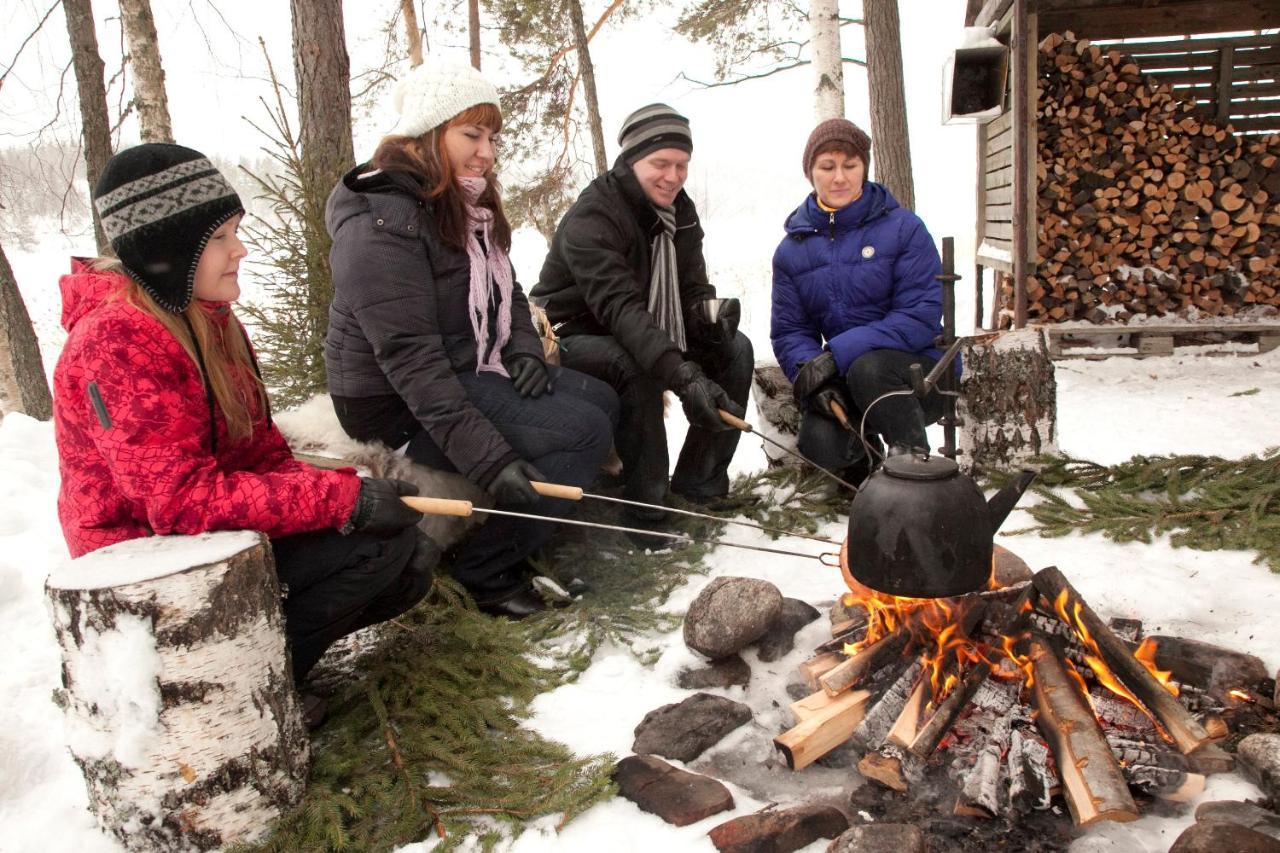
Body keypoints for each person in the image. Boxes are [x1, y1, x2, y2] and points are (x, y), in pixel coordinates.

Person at [53, 143, 435, 693]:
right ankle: (248, 693)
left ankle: (265, 672)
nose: (241, 250)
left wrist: (355, 489)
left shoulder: (210, 320)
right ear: (168, 249)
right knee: (378, 547)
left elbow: (262, 455)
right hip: (140, 562)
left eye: (235, 232)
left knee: (405, 556)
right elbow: (176, 502)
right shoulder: (118, 339)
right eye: (219, 239)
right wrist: (341, 503)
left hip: (197, 536)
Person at [324, 60, 618, 616]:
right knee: (581, 433)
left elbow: (504, 289)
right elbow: (410, 361)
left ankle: (539, 537)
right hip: (392, 403)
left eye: (491, 136)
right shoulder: (380, 222)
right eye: (471, 134)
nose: (486, 151)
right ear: (427, 134)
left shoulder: (461, 202)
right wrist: (490, 461)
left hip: (463, 364)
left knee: (600, 396)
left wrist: (525, 351)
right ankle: (486, 573)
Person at [532, 104, 752, 539]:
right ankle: (646, 511)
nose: (673, 176)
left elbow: (691, 286)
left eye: (682, 165)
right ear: (632, 161)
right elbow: (620, 310)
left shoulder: (679, 210)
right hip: (573, 335)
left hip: (646, 325)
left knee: (737, 348)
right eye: (661, 164)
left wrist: (708, 318)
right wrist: (684, 375)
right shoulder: (594, 216)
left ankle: (699, 485)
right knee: (633, 363)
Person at [770, 118, 945, 481]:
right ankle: (866, 473)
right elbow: (790, 331)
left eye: (850, 166)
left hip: (917, 373)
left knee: (870, 368)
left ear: (863, 168)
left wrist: (837, 354)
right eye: (827, 167)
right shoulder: (792, 251)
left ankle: (914, 471)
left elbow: (920, 315)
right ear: (810, 172)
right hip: (846, 374)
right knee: (821, 443)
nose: (839, 178)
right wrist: (815, 376)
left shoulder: (904, 228)